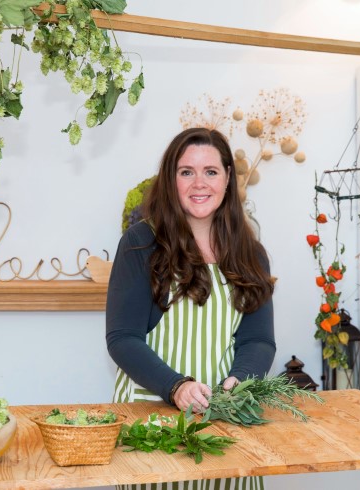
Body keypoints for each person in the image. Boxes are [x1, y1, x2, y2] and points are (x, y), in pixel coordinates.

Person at [106, 127, 275, 490]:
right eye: (187, 172)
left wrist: (239, 382)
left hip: (225, 423)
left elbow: (258, 339)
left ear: (228, 178)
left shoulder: (250, 252)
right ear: (171, 179)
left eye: (211, 172)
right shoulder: (141, 244)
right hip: (151, 420)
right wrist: (176, 386)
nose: (200, 183)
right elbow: (122, 338)